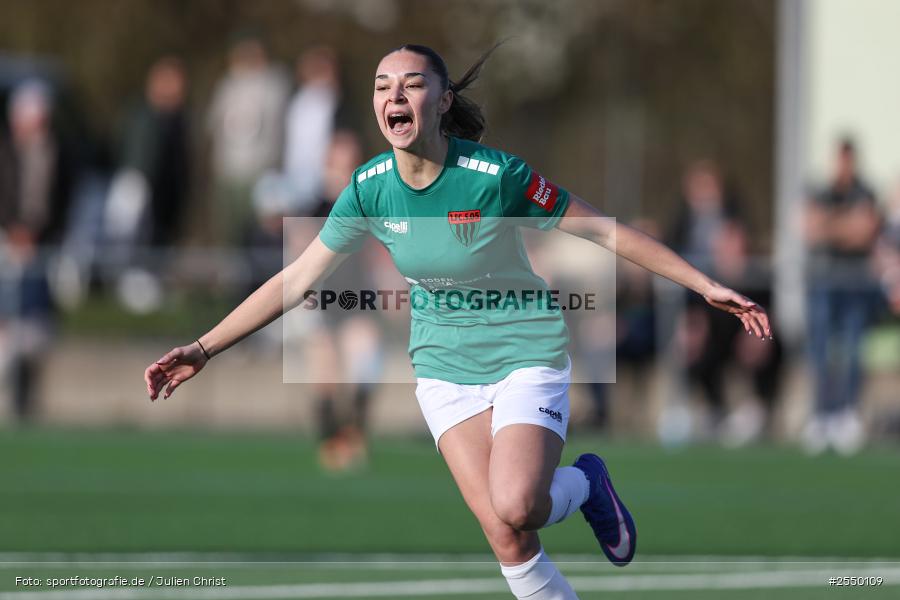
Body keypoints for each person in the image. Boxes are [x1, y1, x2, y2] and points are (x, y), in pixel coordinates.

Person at [145, 45, 772, 599]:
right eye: (381, 85)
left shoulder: (495, 176)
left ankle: (584, 483)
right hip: (444, 370)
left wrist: (705, 284)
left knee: (519, 502)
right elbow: (294, 279)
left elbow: (603, 231)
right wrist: (204, 347)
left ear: (443, 101)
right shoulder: (367, 189)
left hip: (527, 351)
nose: (394, 95)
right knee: (507, 537)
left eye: (412, 83)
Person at [802, 138, 881, 455]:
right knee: (820, 350)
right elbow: (810, 228)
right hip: (824, 281)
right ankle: (822, 413)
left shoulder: (865, 191)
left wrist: (832, 224)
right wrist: (847, 225)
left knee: (852, 349)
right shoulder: (821, 191)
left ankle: (847, 413)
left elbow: (865, 232)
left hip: (855, 284)